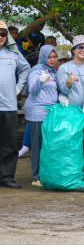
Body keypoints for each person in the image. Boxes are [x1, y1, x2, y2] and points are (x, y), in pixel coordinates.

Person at [57, 36, 84, 174]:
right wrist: (68, 82)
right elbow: (62, 90)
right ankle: (70, 171)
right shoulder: (64, 68)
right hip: (69, 112)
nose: (83, 50)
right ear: (73, 50)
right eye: (80, 47)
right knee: (70, 143)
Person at [24, 45, 60, 187]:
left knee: (48, 146)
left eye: (54, 57)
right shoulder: (36, 71)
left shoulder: (53, 72)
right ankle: (36, 177)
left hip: (50, 113)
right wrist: (40, 81)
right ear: (43, 57)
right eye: (49, 57)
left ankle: (46, 174)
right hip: (37, 112)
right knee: (38, 145)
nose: (52, 60)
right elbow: (32, 91)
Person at [0, 21, 30, 189]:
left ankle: (6, 177)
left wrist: (18, 88)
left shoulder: (13, 54)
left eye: (3, 34)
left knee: (10, 144)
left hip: (9, 106)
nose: (0, 37)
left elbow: (26, 68)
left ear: (7, 37)